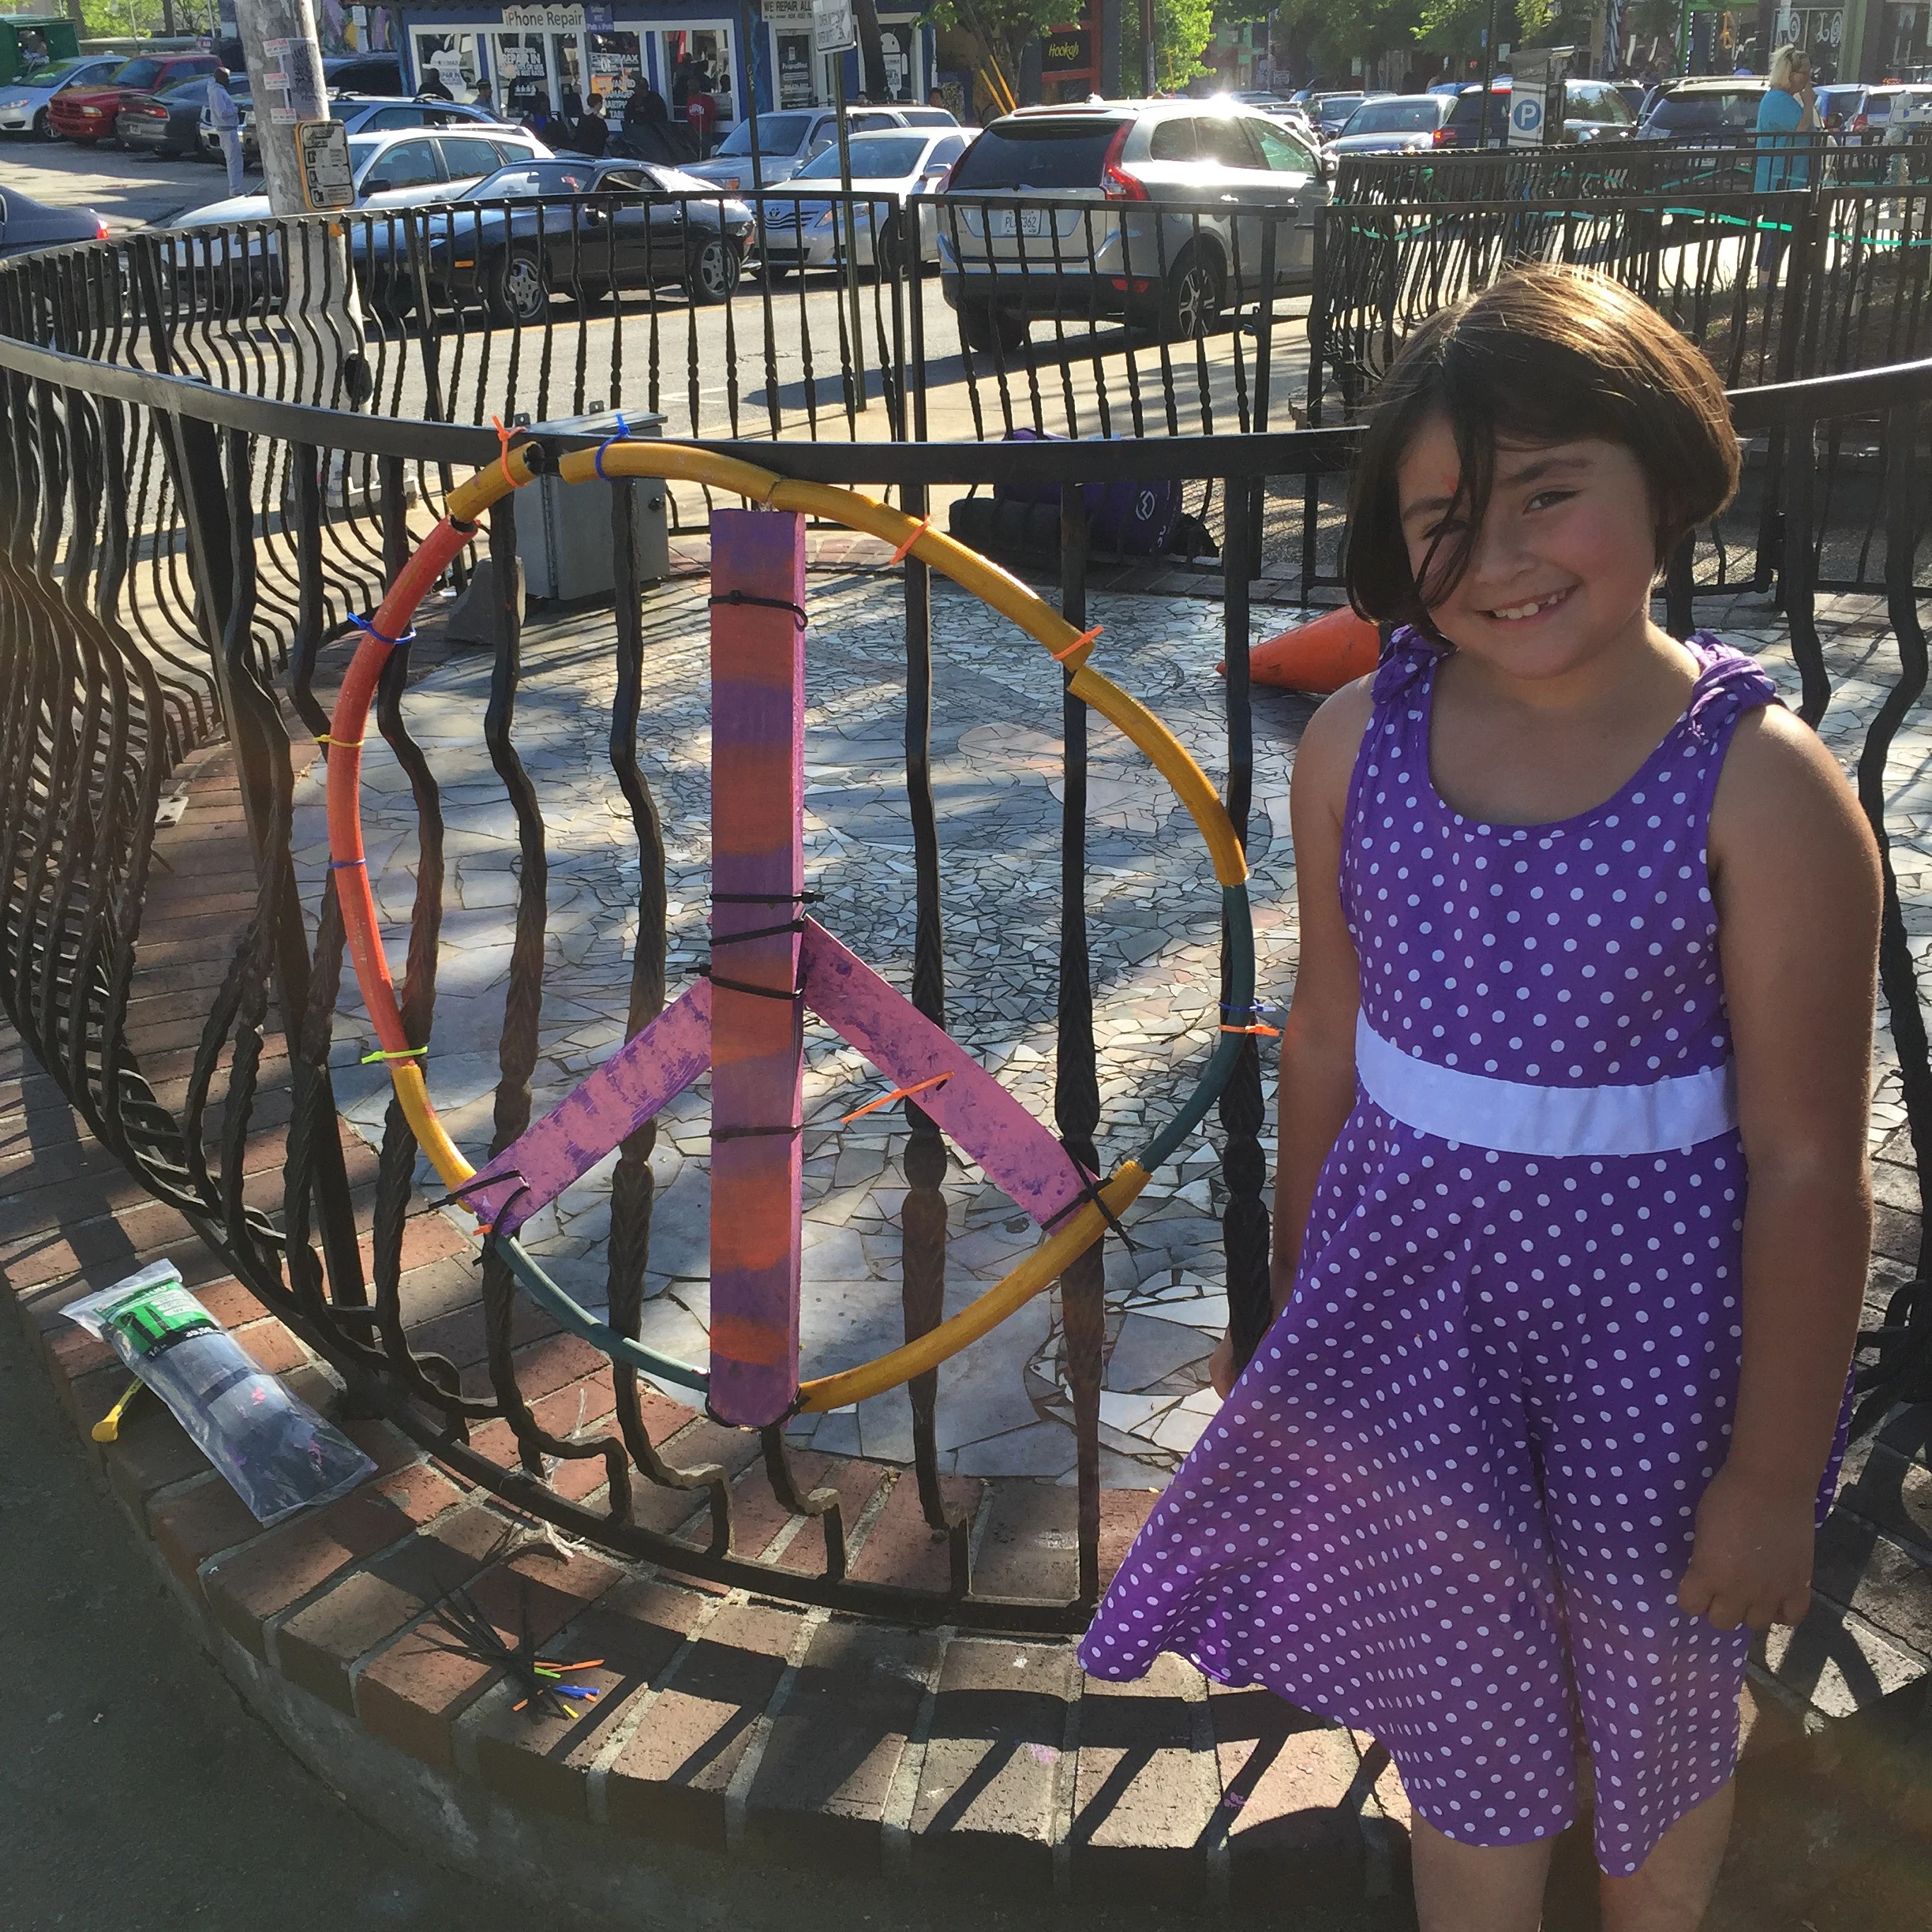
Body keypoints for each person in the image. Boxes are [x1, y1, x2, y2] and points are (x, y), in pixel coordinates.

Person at [1080, 264, 1878, 1932]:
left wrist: (1770, 1474)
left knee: (1661, 1712)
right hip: (1418, 1326)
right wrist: (1302, 1318)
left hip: (1653, 1351)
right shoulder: (1356, 743)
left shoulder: (1762, 786)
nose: (1499, 559)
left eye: (1549, 494)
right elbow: (1323, 1041)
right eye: (1446, 517)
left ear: (1660, 474)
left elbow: (1812, 1165)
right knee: (1468, 1720)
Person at [1754, 43, 1817, 287]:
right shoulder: (1778, 100)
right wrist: (1809, 103)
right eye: (1806, 74)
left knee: (1786, 231)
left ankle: (1771, 279)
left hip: (1792, 177)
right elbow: (1801, 128)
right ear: (1791, 74)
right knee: (1776, 232)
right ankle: (1765, 281)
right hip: (1779, 178)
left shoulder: (1786, 100)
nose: (1809, 80)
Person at [207, 73, 245, 199]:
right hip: (227, 130)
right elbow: (222, 112)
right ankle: (235, 190)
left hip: (228, 129)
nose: (228, 80)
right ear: (220, 78)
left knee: (235, 160)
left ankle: (236, 188)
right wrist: (236, 110)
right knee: (234, 161)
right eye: (227, 77)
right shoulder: (217, 92)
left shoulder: (218, 91)